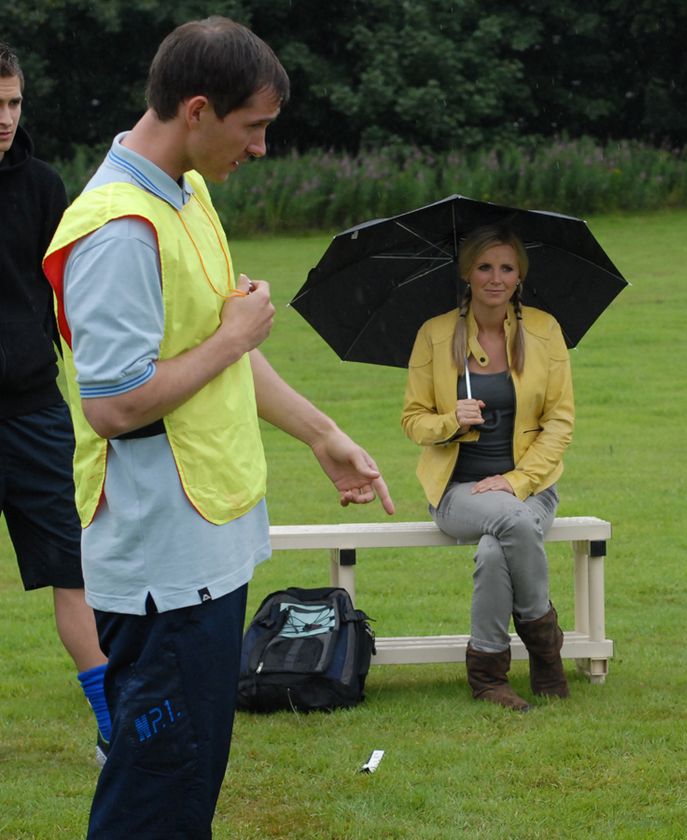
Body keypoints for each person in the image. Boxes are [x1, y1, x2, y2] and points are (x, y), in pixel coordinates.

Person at [41, 17, 393, 838]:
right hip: (163, 564)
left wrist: (319, 432)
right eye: (255, 127)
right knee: (156, 791)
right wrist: (235, 336)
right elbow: (115, 403)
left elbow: (223, 346)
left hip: (207, 545)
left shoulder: (187, 194)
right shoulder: (117, 232)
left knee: (184, 783)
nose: (263, 148)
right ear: (197, 110)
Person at [401, 224, 574, 712]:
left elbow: (560, 423)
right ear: (467, 274)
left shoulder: (545, 330)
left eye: (506, 268)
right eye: (484, 267)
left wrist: (517, 480)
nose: (495, 278)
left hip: (531, 487)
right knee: (510, 522)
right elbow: (412, 420)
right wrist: (450, 422)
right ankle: (547, 651)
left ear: (519, 276)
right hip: (457, 491)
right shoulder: (436, 335)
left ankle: (488, 676)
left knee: (495, 553)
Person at [0, 41, 112, 765]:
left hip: (35, 410)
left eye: (12, 103)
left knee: (73, 570)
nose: (5, 118)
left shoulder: (42, 186)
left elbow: (78, 290)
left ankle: (112, 723)